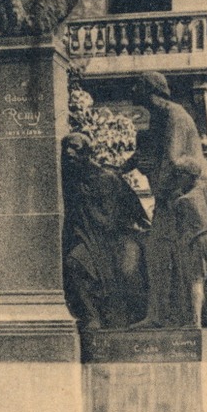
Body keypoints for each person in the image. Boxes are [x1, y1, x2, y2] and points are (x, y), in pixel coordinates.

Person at [122, 71, 207, 328]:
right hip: (168, 199)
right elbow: (143, 156)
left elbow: (171, 160)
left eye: (138, 84)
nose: (133, 89)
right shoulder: (159, 118)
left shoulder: (173, 115)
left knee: (170, 256)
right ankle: (158, 315)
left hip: (180, 201)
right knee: (158, 253)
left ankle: (169, 317)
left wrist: (155, 177)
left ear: (150, 89)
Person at [60, 133, 150, 329]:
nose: (69, 152)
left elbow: (114, 218)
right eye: (66, 148)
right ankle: (92, 316)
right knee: (74, 262)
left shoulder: (107, 178)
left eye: (75, 148)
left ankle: (135, 321)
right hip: (91, 240)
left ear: (87, 152)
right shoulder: (69, 182)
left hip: (119, 236)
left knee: (129, 273)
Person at [166, 156, 207, 328]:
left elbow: (179, 230)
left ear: (187, 175)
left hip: (202, 241)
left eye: (179, 175)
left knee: (196, 280)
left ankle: (195, 322)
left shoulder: (183, 201)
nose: (177, 180)